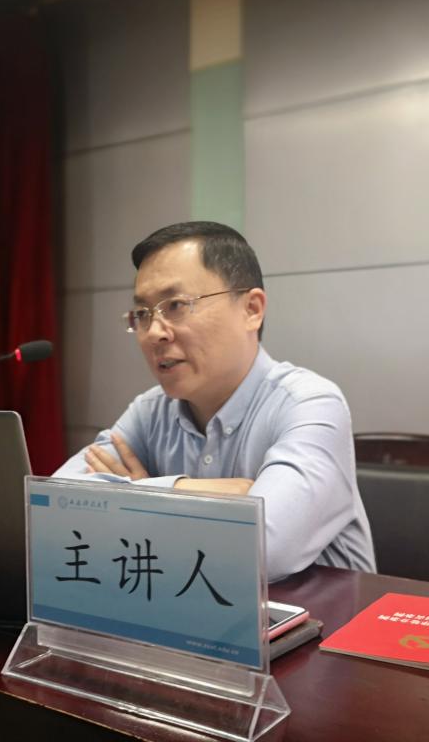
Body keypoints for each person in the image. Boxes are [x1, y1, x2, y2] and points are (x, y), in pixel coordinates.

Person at [55, 221, 375, 581]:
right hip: (196, 608)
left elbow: (261, 549)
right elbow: (55, 509)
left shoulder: (310, 403)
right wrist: (192, 492)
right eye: (143, 314)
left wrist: (132, 497)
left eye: (176, 305)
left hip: (323, 614)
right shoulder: (150, 411)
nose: (155, 332)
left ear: (251, 309)